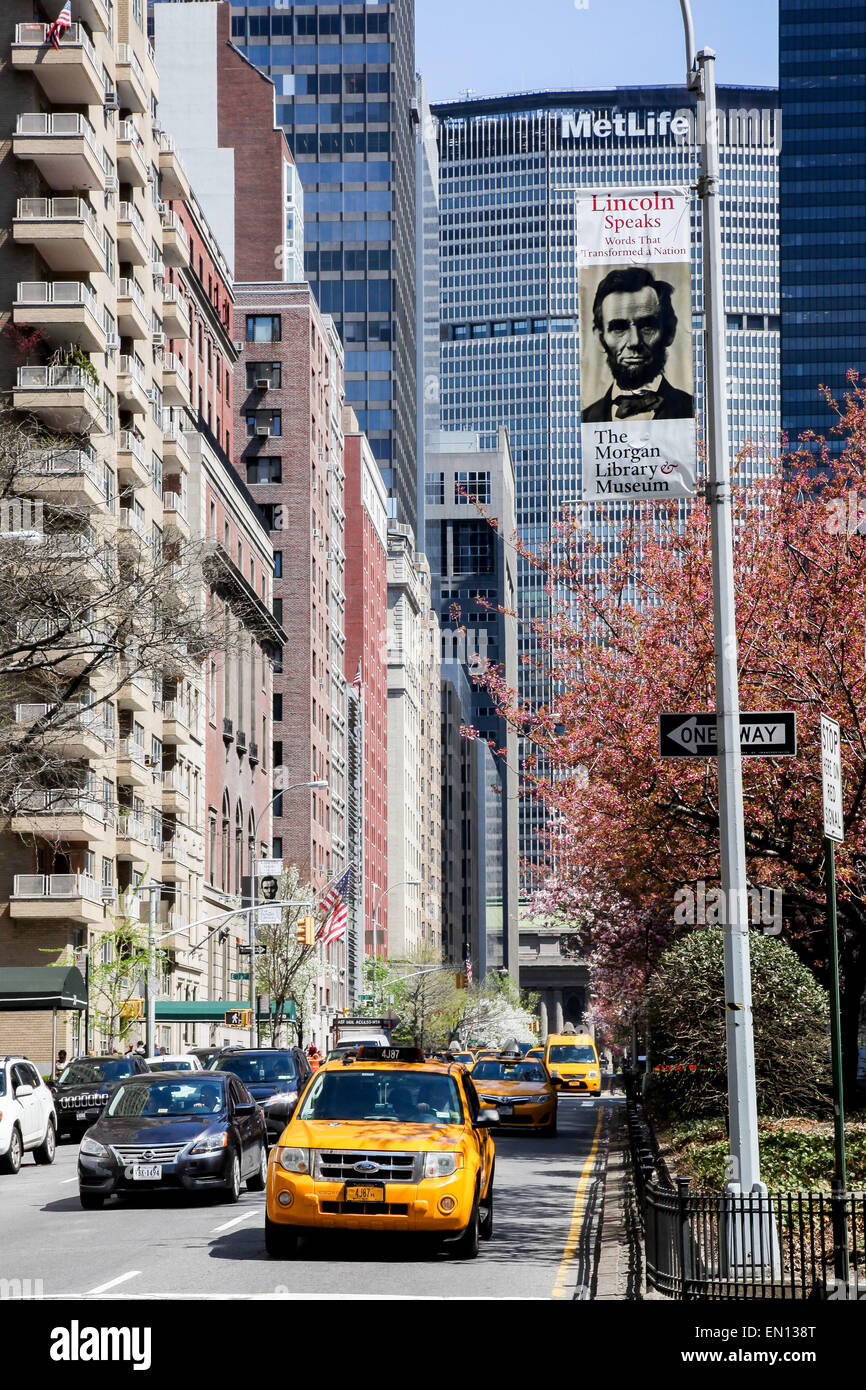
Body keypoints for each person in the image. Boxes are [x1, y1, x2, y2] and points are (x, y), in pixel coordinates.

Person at [581, 266, 694, 422]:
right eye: (619, 328)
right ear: (600, 338)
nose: (634, 341)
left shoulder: (691, 411)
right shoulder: (587, 419)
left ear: (669, 332)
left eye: (647, 326)